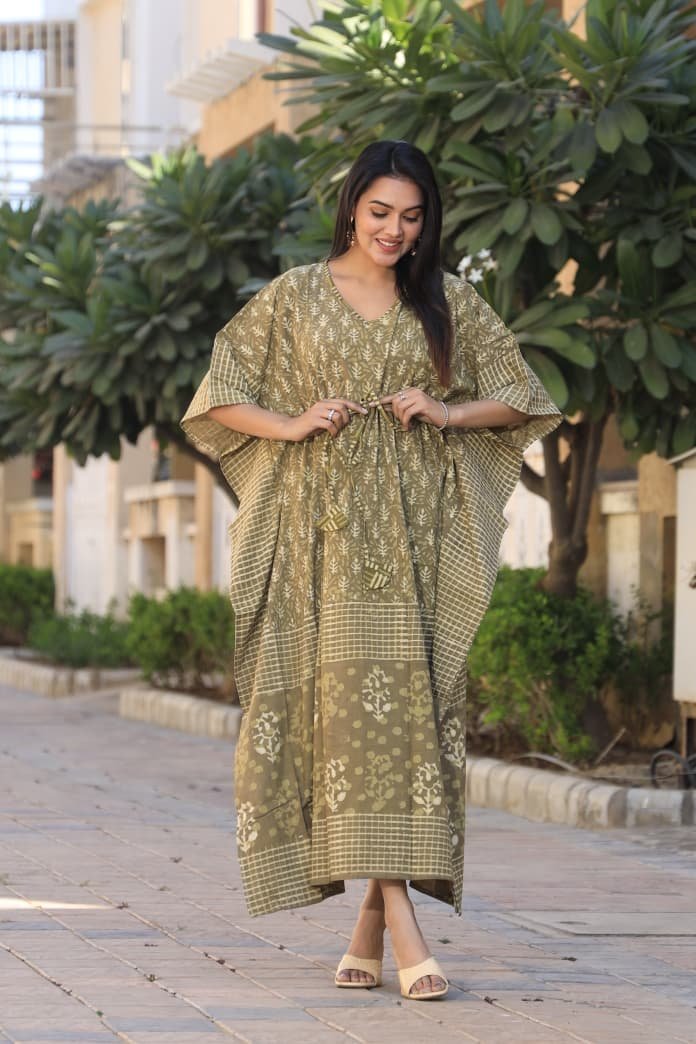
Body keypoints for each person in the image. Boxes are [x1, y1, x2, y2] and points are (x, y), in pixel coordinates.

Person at [181, 140, 561, 1001]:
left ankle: (370, 924)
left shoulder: (446, 301)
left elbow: (524, 398)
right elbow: (218, 396)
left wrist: (446, 409)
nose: (395, 230)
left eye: (412, 217)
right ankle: (402, 924)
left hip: (414, 541)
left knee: (402, 720)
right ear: (352, 206)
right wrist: (291, 424)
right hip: (316, 539)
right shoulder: (294, 295)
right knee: (341, 720)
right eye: (381, 211)